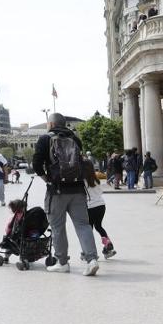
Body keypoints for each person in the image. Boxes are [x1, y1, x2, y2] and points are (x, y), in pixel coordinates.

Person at [32, 112, 100, 276]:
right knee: (83, 225)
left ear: (51, 124)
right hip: (78, 190)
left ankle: (62, 262)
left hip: (57, 191)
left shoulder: (45, 139)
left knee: (58, 227)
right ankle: (92, 260)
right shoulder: (75, 139)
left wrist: (47, 179)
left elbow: (36, 164)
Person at [84, 161, 117, 258]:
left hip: (90, 207)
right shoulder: (96, 180)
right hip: (101, 205)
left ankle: (89, 252)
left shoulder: (83, 181)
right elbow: (100, 192)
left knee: (88, 229)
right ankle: (107, 244)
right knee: (99, 226)